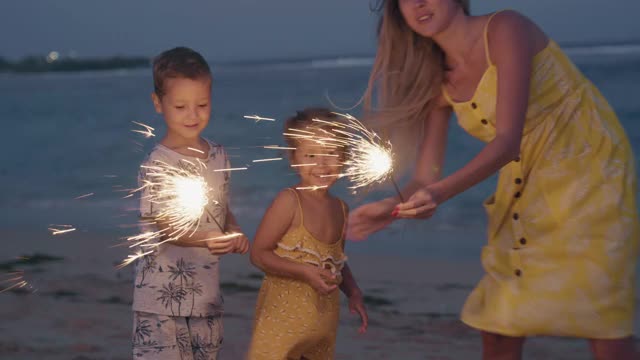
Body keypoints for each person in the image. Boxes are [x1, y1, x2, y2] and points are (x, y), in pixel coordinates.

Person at [348, 1, 639, 359]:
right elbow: (426, 176)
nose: (419, 3)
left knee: (602, 320)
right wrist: (392, 209)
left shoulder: (505, 28)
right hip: (525, 180)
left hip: (590, 175)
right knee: (499, 324)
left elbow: (506, 141)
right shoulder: (438, 80)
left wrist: (437, 195)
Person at [131, 46, 249, 360]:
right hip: (160, 300)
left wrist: (233, 230)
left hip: (206, 297)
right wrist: (207, 238)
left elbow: (219, 207)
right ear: (158, 103)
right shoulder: (158, 163)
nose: (192, 115)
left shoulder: (219, 155)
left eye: (202, 104)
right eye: (181, 106)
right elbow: (165, 228)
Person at [248, 108, 368, 359]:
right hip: (282, 323)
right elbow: (259, 254)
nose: (321, 165)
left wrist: (354, 292)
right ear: (294, 158)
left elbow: (337, 261)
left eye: (331, 154)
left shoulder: (341, 209)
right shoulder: (290, 201)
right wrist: (304, 272)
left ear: (344, 157)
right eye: (311, 154)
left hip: (321, 323)